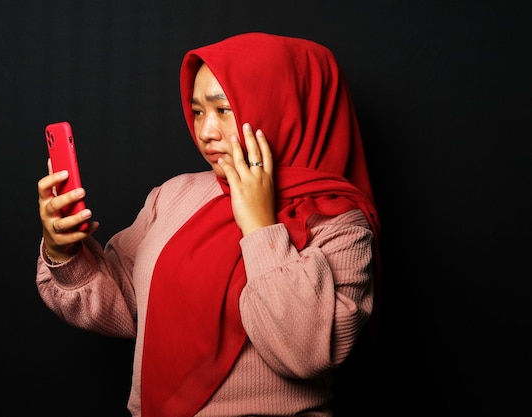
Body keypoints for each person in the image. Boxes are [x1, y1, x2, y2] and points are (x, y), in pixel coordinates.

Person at [36, 32, 381, 417]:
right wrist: (62, 251)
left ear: (281, 106)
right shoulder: (174, 195)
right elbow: (126, 306)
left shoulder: (341, 226)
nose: (205, 132)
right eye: (198, 111)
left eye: (224, 109)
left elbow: (303, 353)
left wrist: (259, 227)